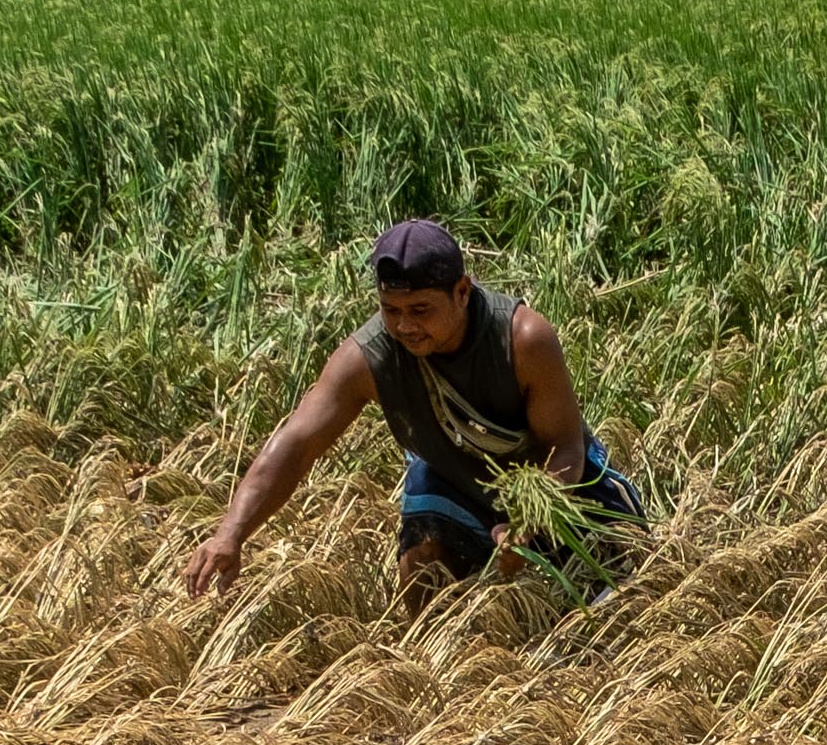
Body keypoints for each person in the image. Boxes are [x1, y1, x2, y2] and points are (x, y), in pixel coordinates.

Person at [179, 219, 644, 604]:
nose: (405, 326)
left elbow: (564, 449)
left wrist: (529, 528)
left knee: (606, 604)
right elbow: (298, 443)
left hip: (555, 494)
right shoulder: (369, 357)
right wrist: (231, 534)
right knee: (421, 573)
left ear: (462, 291)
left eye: (421, 309)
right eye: (390, 309)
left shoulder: (522, 339)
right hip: (455, 479)